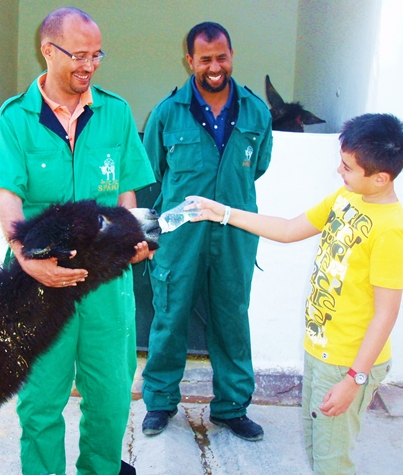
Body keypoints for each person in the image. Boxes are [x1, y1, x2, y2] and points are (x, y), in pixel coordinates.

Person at [0, 7, 155, 475]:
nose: (90, 65)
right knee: (40, 403)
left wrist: (136, 237)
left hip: (105, 286)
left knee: (111, 398)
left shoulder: (115, 112)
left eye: (97, 55)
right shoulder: (16, 118)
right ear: (47, 50)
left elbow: (126, 192)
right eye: (79, 54)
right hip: (37, 283)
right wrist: (24, 261)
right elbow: (9, 198)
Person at [188, 113, 403, 474]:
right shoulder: (347, 197)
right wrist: (224, 213)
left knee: (331, 462)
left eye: (348, 167)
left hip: (346, 362)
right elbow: (290, 228)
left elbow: (386, 313)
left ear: (381, 177)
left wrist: (353, 379)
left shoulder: (391, 232)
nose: (340, 171)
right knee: (317, 448)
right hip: (321, 352)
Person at [141, 21, 273, 441]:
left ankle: (232, 407)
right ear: (190, 61)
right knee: (169, 317)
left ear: (230, 57)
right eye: (205, 59)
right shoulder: (167, 113)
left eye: (221, 57)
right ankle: (160, 403)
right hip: (180, 237)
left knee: (232, 320)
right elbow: (155, 168)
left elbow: (261, 165)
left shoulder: (256, 112)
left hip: (234, 232)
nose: (214, 67)